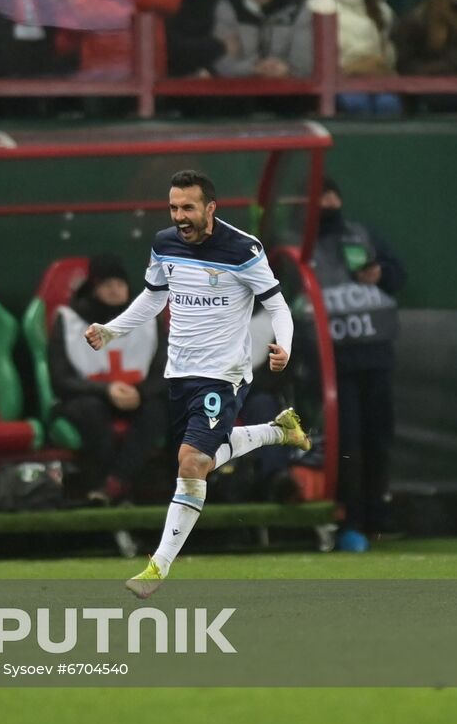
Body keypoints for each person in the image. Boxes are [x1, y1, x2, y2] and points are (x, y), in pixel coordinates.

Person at [83, 170, 311, 598]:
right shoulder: (164, 244)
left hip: (223, 374)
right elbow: (154, 296)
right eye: (173, 208)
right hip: (179, 373)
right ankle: (277, 430)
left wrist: (285, 345)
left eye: (188, 208)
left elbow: (278, 305)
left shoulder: (243, 249)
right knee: (202, 460)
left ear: (210, 208)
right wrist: (112, 330)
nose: (180, 217)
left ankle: (157, 568)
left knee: (190, 463)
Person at [312, 179, 406, 552]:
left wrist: (380, 273)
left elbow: (398, 275)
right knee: (345, 442)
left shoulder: (363, 235)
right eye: (320, 196)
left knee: (378, 437)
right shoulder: (300, 245)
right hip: (332, 361)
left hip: (376, 355)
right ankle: (349, 521)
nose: (329, 202)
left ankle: (376, 519)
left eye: (333, 194)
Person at [49, 254, 168, 504]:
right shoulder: (69, 321)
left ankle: (115, 484)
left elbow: (165, 371)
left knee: (159, 409)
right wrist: (106, 390)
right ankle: (105, 484)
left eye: (120, 284)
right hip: (88, 398)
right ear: (94, 289)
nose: (115, 290)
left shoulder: (148, 319)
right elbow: (61, 380)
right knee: (90, 411)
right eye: (107, 285)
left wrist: (141, 393)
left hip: (137, 398)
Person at [292, 0, 401, 116]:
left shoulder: (380, 9)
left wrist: (381, 65)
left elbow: (387, 48)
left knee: (389, 105)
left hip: (376, 77)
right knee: (355, 104)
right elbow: (307, 54)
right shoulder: (317, 5)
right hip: (338, 81)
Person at [213, 0, 302, 78]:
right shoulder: (229, 10)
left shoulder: (295, 11)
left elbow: (304, 62)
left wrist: (287, 68)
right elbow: (222, 64)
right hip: (240, 87)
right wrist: (254, 68)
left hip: (288, 86)